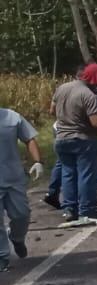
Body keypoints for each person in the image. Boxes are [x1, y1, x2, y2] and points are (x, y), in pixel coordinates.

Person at [50, 64, 97, 227]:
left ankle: (70, 209)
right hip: (83, 139)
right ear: (96, 79)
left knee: (68, 174)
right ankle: (87, 211)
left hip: (61, 138)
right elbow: (96, 122)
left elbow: (51, 111)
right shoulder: (87, 95)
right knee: (86, 176)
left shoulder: (62, 88)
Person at [0, 104, 45, 272]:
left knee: (22, 215)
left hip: (13, 177)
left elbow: (29, 139)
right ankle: (2, 257)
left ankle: (17, 238)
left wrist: (38, 162)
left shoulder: (11, 117)